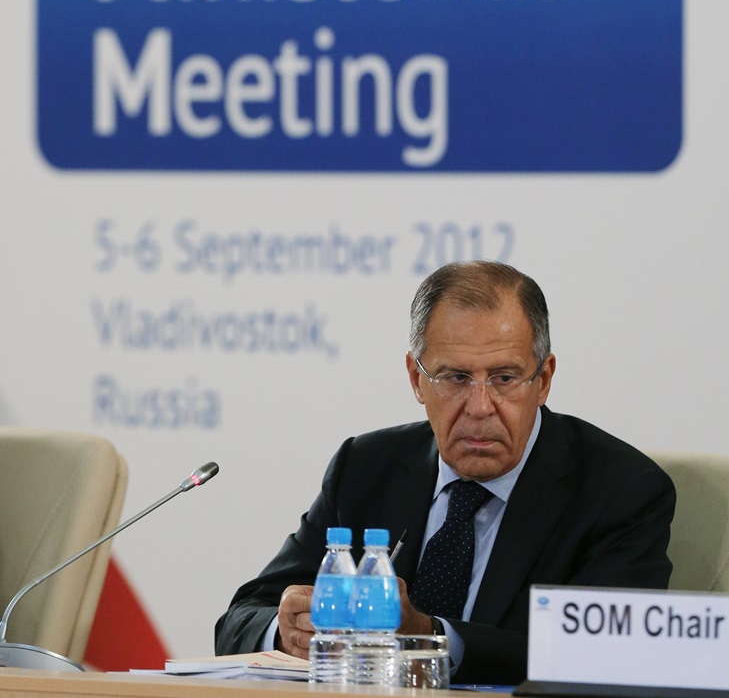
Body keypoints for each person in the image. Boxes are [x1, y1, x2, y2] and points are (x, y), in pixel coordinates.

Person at [215, 261, 675, 684]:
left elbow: (602, 656)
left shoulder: (620, 491)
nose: (480, 407)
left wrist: (430, 638)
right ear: (417, 379)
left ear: (544, 380)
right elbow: (240, 618)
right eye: (455, 378)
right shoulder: (365, 467)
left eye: (504, 378)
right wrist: (287, 631)